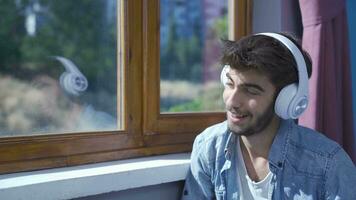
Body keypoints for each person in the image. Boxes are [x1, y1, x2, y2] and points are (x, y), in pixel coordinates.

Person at [181, 32, 356, 200]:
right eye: (229, 84)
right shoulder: (209, 147)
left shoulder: (329, 164)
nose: (231, 102)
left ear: (287, 100)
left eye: (250, 91)